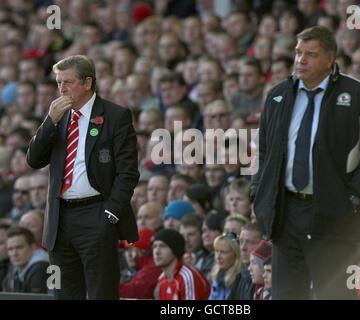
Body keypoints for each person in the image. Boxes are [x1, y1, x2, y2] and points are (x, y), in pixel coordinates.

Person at [251, 26, 360, 299]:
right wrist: (260, 191)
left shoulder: (358, 94)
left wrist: (354, 193)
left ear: (330, 59)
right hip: (286, 214)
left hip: (335, 215)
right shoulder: (278, 94)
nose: (300, 60)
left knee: (336, 295)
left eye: (310, 55)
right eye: (298, 53)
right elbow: (263, 151)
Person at [26, 55, 139, 299]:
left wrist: (110, 213)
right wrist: (49, 122)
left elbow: (128, 172)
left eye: (67, 82)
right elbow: (34, 160)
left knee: (101, 293)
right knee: (64, 294)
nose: (61, 89)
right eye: (58, 83)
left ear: (88, 83)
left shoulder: (115, 116)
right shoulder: (58, 117)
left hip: (97, 214)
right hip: (59, 218)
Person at [153, 229, 210, 300]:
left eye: (162, 246)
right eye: (154, 246)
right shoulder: (162, 279)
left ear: (175, 250)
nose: (157, 252)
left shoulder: (188, 276)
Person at [2, 226, 49, 294]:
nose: (14, 253)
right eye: (10, 249)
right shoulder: (15, 267)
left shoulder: (40, 267)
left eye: (19, 247)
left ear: (33, 247)